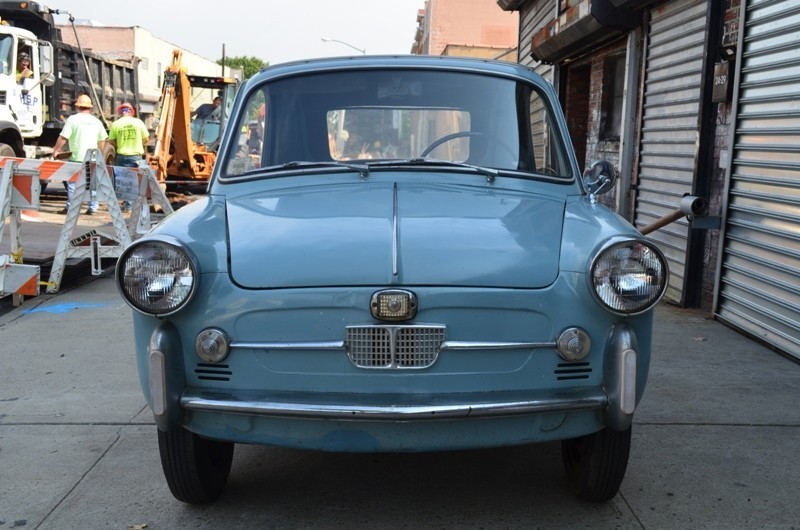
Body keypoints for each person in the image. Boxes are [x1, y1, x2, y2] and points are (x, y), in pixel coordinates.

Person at [52, 94, 108, 215]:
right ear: (90, 108)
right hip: (92, 157)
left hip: (76, 157)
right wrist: (100, 153)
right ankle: (93, 208)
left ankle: (72, 208)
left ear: (77, 106)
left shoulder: (73, 119)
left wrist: (56, 149)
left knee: (73, 184)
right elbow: (102, 140)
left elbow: (63, 137)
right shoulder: (96, 121)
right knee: (92, 183)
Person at [108, 102, 149, 211]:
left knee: (122, 180)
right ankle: (131, 205)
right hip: (136, 156)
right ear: (132, 112)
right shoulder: (138, 122)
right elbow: (147, 138)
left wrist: (120, 145)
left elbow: (111, 141)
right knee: (134, 180)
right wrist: (138, 144)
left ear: (121, 112)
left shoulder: (116, 124)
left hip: (122, 155)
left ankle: (127, 204)